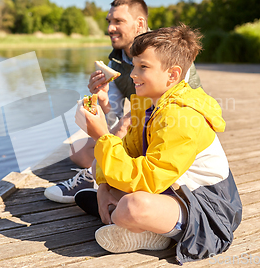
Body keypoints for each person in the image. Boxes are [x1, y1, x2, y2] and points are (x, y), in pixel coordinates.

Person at [74, 25, 242, 264]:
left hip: (206, 208)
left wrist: (102, 137)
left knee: (133, 206)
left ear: (172, 75)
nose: (132, 74)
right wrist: (102, 185)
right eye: (134, 65)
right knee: (97, 167)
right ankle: (130, 218)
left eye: (143, 67)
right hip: (170, 188)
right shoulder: (147, 105)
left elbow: (149, 179)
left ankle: (149, 230)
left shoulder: (182, 117)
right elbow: (129, 154)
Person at [44, 0, 201, 203]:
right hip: (141, 130)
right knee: (76, 151)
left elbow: (184, 105)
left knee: (127, 122)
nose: (110, 28)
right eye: (109, 21)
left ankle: (94, 179)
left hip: (173, 129)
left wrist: (130, 119)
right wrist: (103, 100)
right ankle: (108, 174)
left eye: (118, 21)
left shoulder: (166, 51)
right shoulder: (116, 61)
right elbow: (111, 118)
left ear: (140, 23)